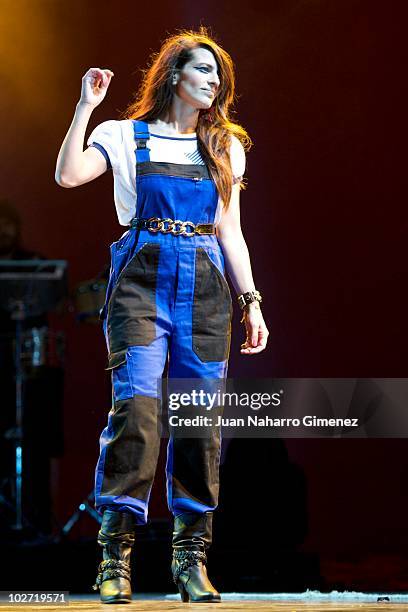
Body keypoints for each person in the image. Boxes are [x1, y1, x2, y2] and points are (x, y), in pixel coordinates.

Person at [55, 27, 269, 604]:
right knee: (139, 414)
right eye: (202, 71)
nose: (213, 82)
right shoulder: (125, 135)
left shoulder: (226, 146)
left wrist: (251, 301)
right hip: (141, 284)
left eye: (218, 76)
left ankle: (190, 560)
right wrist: (84, 107)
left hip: (204, 287)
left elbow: (232, 231)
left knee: (200, 423)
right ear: (175, 75)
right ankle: (115, 560)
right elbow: (69, 175)